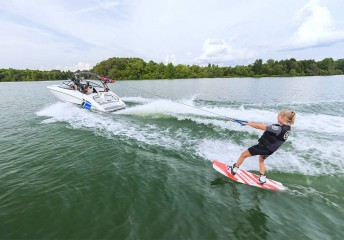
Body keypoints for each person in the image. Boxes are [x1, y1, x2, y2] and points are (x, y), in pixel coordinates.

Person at [227, 110, 296, 184]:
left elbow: (259, 126)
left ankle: (234, 169)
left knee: (243, 155)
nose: (277, 117)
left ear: (283, 117)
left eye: (278, 115)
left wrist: (247, 123)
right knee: (261, 160)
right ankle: (262, 178)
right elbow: (268, 127)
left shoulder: (278, 128)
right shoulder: (287, 128)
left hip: (264, 147)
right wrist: (249, 123)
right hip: (270, 150)